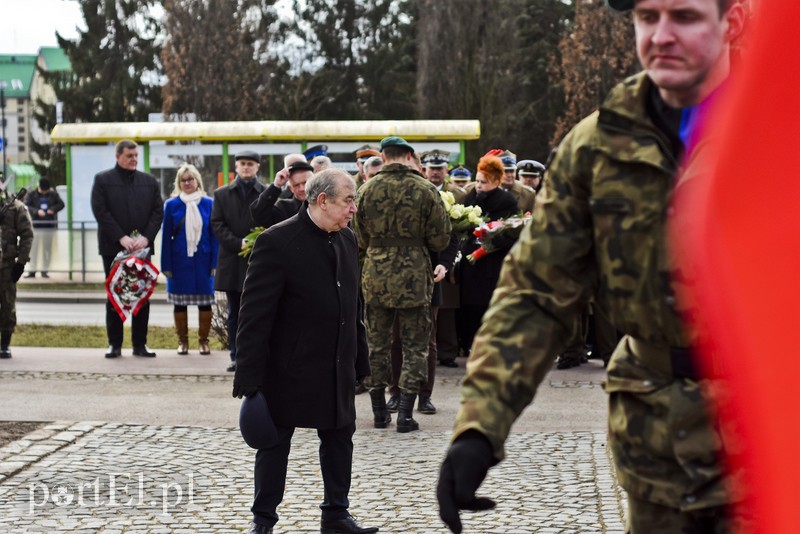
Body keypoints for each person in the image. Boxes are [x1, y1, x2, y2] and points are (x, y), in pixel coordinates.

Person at [436, 0, 748, 532]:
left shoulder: (777, 121)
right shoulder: (598, 144)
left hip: (769, 435)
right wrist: (480, 427)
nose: (662, 35)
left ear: (733, 21)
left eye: (685, 16)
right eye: (648, 17)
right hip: (656, 446)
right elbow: (538, 290)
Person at [232, 168, 378, 534]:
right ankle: (263, 521)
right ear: (322, 200)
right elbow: (253, 317)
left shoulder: (346, 240)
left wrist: (360, 360)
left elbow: (353, 307)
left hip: (337, 364)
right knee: (274, 445)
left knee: (339, 440)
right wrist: (249, 379)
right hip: (288, 367)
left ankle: (336, 515)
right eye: (348, 200)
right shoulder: (276, 242)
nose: (354, 209)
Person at [353, 136, 451, 433]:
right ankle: (406, 414)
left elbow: (358, 238)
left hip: (376, 275)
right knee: (415, 345)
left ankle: (380, 412)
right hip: (414, 277)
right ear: (409, 156)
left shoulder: (365, 190)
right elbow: (440, 239)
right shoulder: (426, 190)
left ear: (383, 157)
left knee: (376, 345)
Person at [90, 139, 163, 359]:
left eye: (136, 156)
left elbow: (157, 212)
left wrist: (146, 238)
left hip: (141, 250)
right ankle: (115, 344)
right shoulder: (103, 180)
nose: (134, 159)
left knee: (141, 294)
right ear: (118, 156)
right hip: (113, 249)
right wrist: (120, 237)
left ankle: (140, 344)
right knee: (116, 294)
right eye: (129, 156)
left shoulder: (149, 182)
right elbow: (101, 211)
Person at [456, 154, 518, 359]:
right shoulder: (472, 196)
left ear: (496, 182)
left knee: (490, 305)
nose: (479, 186)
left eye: (484, 182)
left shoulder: (507, 200)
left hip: (493, 262)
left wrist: (491, 239)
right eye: (478, 181)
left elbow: (513, 231)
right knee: (470, 306)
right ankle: (469, 343)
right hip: (472, 262)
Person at [211, 150, 265, 372]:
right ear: (236, 166)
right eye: (242, 163)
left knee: (256, 312)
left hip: (258, 259)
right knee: (234, 312)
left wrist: (256, 243)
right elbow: (217, 224)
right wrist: (238, 243)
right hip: (233, 261)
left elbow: (270, 221)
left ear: (257, 168)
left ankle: (255, 354)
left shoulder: (264, 192)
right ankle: (235, 355)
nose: (246, 167)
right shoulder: (222, 194)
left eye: (250, 164)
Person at [160, 163, 218, 356]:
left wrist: (215, 263)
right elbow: (166, 237)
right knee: (180, 303)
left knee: (205, 302)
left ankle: (203, 341)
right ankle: (182, 341)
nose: (187, 183)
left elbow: (214, 235)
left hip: (203, 260)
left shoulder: (208, 203)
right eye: (183, 180)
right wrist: (165, 265)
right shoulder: (171, 205)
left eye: (190, 179)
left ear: (197, 181)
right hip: (179, 261)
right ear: (178, 183)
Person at [0, 186, 33, 358]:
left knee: (7, 305)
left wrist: (20, 263)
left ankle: (4, 344)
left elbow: (27, 235)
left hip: (6, 264)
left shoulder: (15, 207)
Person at [250, 161, 312, 228]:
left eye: (305, 183)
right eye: (296, 185)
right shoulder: (283, 208)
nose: (301, 189)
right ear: (290, 188)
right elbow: (259, 216)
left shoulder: (323, 205)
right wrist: (276, 185)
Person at [24, 177, 64, 278]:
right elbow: (26, 205)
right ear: (39, 187)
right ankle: (32, 270)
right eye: (43, 190)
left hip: (48, 226)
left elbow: (61, 204)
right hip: (35, 226)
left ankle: (44, 270)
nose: (45, 192)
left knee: (47, 250)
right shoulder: (31, 194)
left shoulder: (53, 194)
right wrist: (36, 211)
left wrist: (52, 209)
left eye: (46, 191)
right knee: (33, 249)